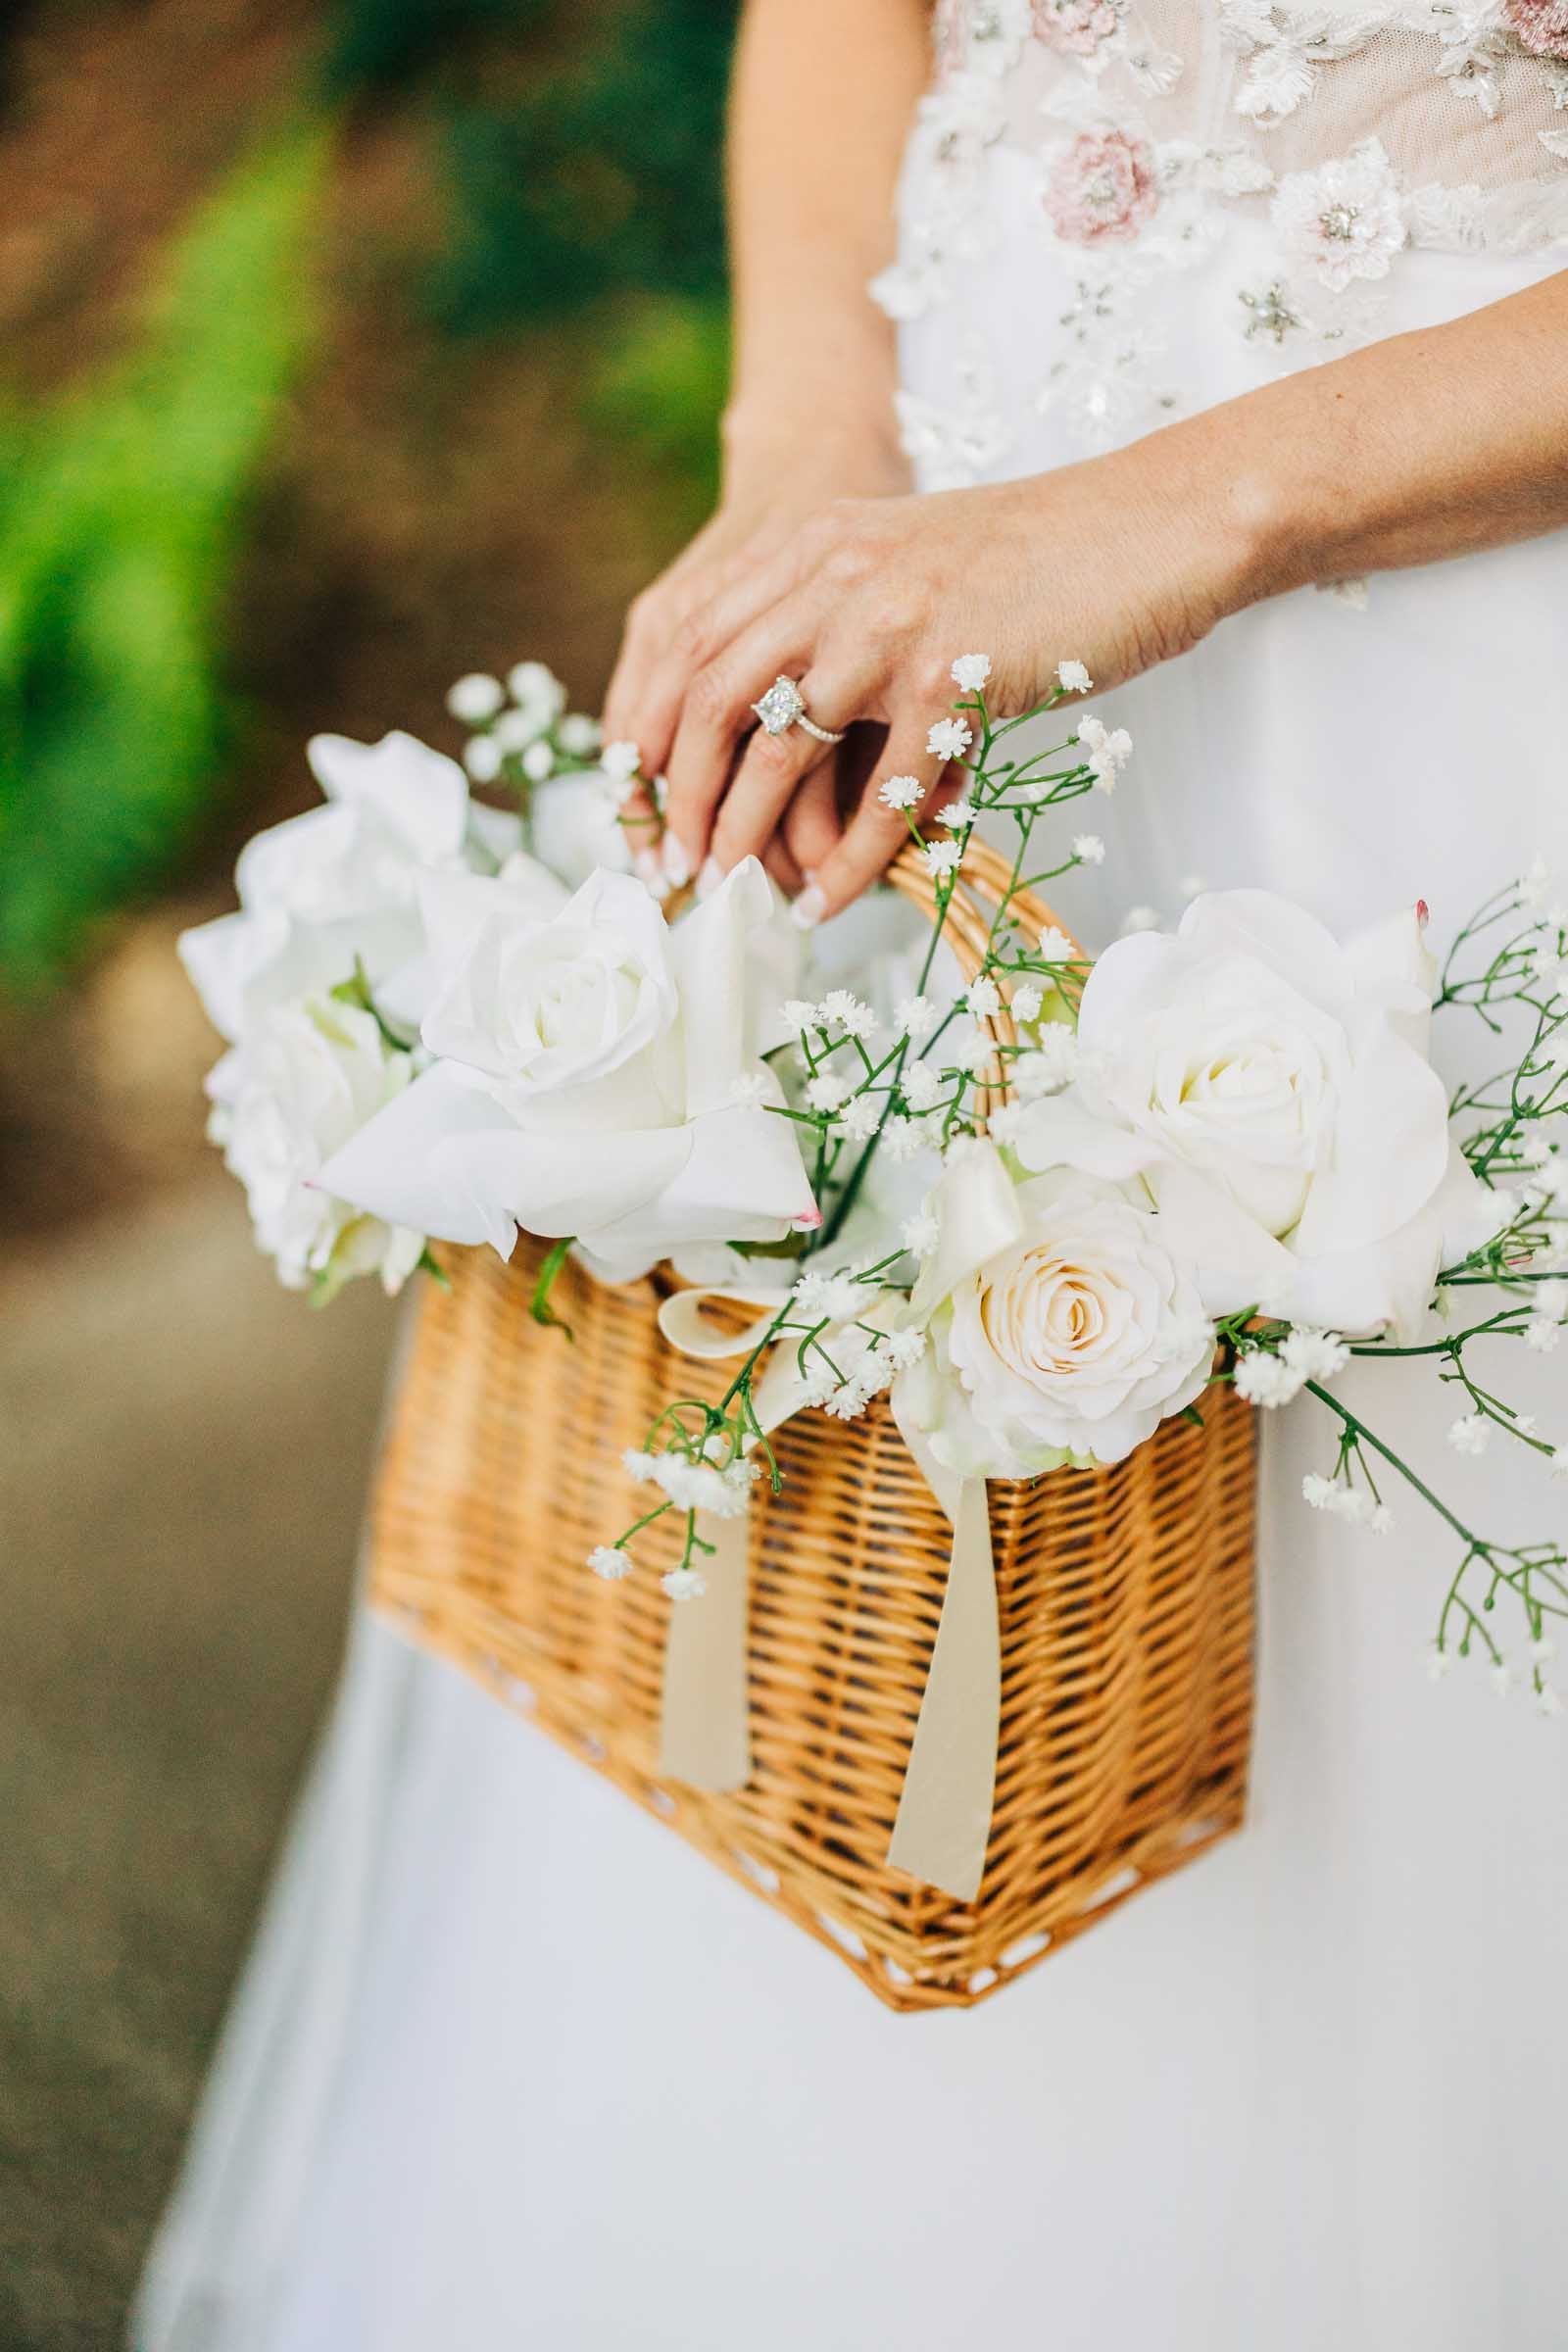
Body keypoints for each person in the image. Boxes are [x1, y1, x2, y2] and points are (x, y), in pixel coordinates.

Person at [135, 4, 1568, 2346]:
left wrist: (1180, 509)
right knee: (867, 1648)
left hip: (1455, 693)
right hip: (939, 576)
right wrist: (806, 458)